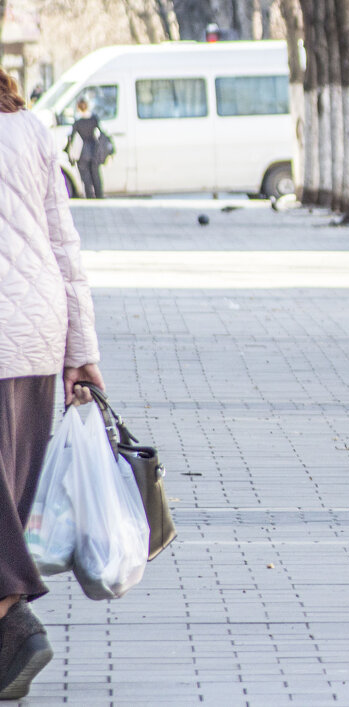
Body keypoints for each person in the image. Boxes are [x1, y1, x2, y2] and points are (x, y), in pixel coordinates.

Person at [0, 68, 105, 699]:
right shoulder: (33, 129)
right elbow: (65, 246)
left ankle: (15, 618)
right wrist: (81, 350)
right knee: (6, 500)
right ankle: (11, 634)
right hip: (37, 331)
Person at [64, 98, 105, 199]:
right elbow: (101, 133)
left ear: (78, 107)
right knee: (96, 175)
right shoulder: (94, 119)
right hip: (94, 149)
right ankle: (99, 195)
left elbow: (71, 138)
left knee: (86, 177)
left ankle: (90, 196)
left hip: (83, 152)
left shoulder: (78, 122)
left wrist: (67, 150)